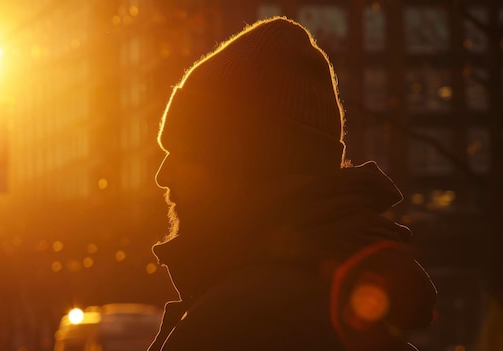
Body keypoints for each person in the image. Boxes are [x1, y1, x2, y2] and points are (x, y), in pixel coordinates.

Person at [149, 16, 437, 351]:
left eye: (186, 153)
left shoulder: (238, 320)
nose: (162, 176)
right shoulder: (335, 307)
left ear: (249, 165)